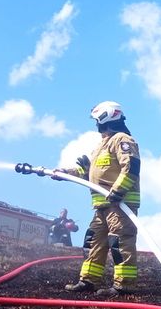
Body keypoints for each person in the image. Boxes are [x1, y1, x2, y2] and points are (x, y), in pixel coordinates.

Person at [56, 101, 141, 297]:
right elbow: (91, 174)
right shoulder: (101, 146)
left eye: (97, 120)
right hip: (102, 206)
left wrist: (118, 192)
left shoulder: (122, 139)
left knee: (120, 242)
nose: (96, 125)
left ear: (107, 117)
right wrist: (65, 173)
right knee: (93, 241)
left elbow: (131, 167)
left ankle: (124, 285)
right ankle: (89, 281)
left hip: (120, 205)